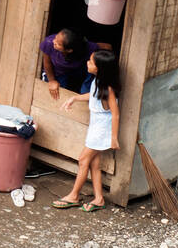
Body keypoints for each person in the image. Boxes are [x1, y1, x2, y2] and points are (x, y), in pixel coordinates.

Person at [52, 50, 121, 212]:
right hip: (95, 127)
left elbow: (116, 114)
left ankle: (74, 196)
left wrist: (114, 138)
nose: (87, 63)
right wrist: (75, 98)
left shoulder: (109, 89)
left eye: (91, 62)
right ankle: (99, 199)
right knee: (94, 164)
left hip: (102, 129)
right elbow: (93, 96)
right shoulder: (98, 82)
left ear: (99, 68)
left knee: (83, 160)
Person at [40, 28, 112, 98]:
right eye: (55, 37)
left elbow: (108, 47)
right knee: (56, 92)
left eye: (58, 44)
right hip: (58, 72)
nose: (54, 41)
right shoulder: (49, 43)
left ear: (69, 50)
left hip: (80, 69)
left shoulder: (87, 48)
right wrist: (52, 80)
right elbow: (47, 63)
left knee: (86, 92)